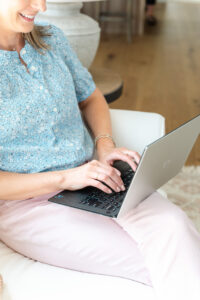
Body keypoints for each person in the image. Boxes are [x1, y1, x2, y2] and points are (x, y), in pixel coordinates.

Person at [0, 1, 200, 300]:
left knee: (174, 226)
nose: (40, 6)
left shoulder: (52, 38)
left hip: (96, 177)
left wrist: (105, 146)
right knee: (162, 260)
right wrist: (66, 179)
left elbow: (91, 97)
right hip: (28, 204)